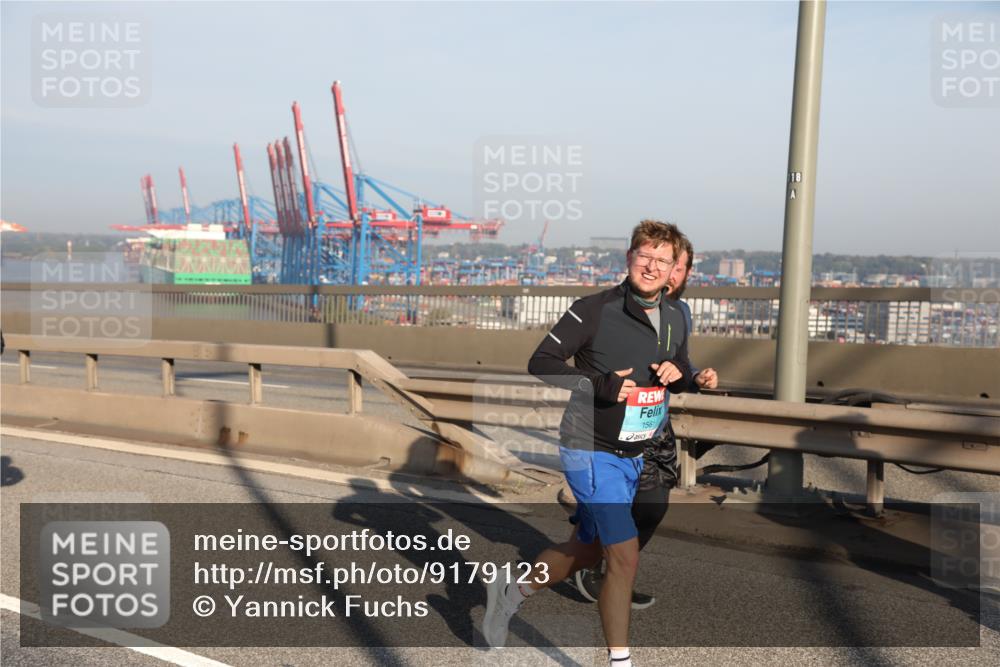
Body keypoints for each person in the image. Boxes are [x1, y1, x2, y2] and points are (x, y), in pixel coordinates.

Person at [482, 220, 693, 666]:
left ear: (674, 268)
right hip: (589, 448)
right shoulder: (594, 310)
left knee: (587, 549)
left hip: (636, 452)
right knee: (624, 557)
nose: (652, 267)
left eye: (662, 260)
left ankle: (511, 592)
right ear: (629, 257)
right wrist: (598, 384)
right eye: (645, 256)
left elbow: (678, 367)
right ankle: (620, 661)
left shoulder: (676, 314)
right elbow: (541, 361)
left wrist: (686, 375)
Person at [573, 235, 719, 609]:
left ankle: (612, 571)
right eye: (664, 263)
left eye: (677, 267)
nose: (670, 273)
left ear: (683, 273)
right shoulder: (618, 308)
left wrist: (696, 376)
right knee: (609, 511)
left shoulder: (679, 312)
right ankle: (591, 566)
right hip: (612, 424)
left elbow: (680, 362)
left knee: (652, 507)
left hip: (654, 426)